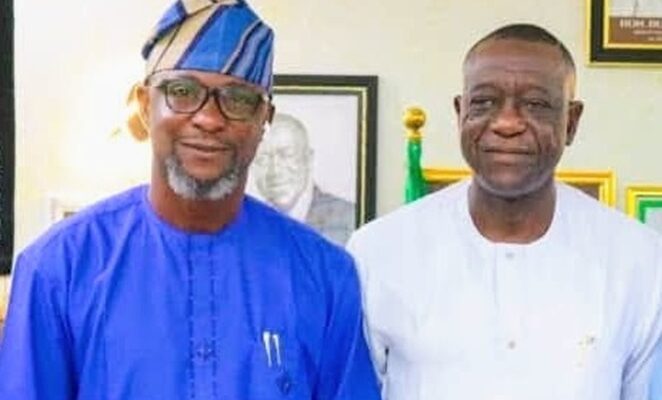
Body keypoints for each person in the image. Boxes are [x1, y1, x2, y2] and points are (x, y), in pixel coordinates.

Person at [0, 1, 381, 399]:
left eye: (238, 98)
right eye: (182, 91)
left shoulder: (324, 276)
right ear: (145, 105)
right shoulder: (58, 269)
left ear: (264, 120)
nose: (209, 119)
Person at [348, 23, 662, 399]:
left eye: (536, 104)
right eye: (484, 102)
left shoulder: (638, 259)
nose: (507, 123)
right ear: (460, 113)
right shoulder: (379, 250)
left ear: (571, 122)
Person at [250, 112, 355, 244]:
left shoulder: (348, 219)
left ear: (308, 159)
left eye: (286, 155)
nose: (275, 169)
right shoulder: (243, 225)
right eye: (262, 158)